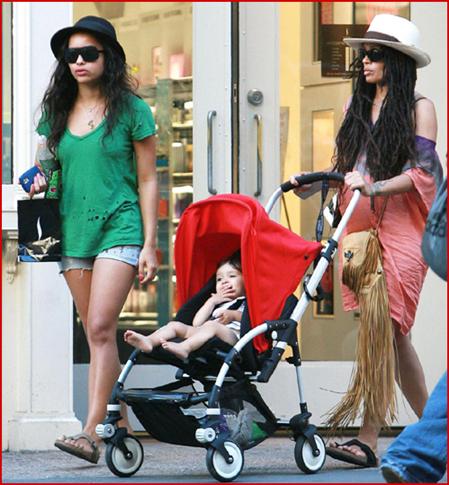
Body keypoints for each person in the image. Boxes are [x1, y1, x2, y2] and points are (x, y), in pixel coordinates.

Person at [290, 14, 442, 467]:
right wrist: (316, 182)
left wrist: (374, 187)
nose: (365, 62)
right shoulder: (354, 106)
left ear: (397, 61)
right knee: (392, 338)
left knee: (385, 330)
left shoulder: (420, 108)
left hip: (402, 230)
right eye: (363, 55)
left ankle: (368, 439)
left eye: (375, 54)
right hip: (360, 230)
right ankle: (436, 436)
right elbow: (349, 168)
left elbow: (423, 175)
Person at [30, 16, 158, 464]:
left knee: (101, 327)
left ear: (109, 58)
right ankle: (118, 423)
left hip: (119, 227)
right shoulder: (56, 112)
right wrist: (38, 179)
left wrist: (149, 242)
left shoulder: (133, 111)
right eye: (71, 55)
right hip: (71, 232)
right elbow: (46, 168)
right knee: (95, 333)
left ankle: (90, 433)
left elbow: (148, 179)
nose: (79, 62)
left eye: (89, 53)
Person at [380, 177, 447, 483]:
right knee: (389, 335)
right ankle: (416, 453)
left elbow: (423, 172)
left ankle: (415, 453)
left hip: (410, 239)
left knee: (394, 335)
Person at [124, 253, 246, 360]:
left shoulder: (247, 301)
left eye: (232, 276)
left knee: (211, 325)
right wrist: (211, 302)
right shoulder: (218, 303)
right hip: (206, 334)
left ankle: (185, 347)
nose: (224, 281)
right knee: (175, 325)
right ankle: (150, 341)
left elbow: (251, 319)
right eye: (219, 279)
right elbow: (197, 324)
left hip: (234, 338)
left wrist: (234, 315)